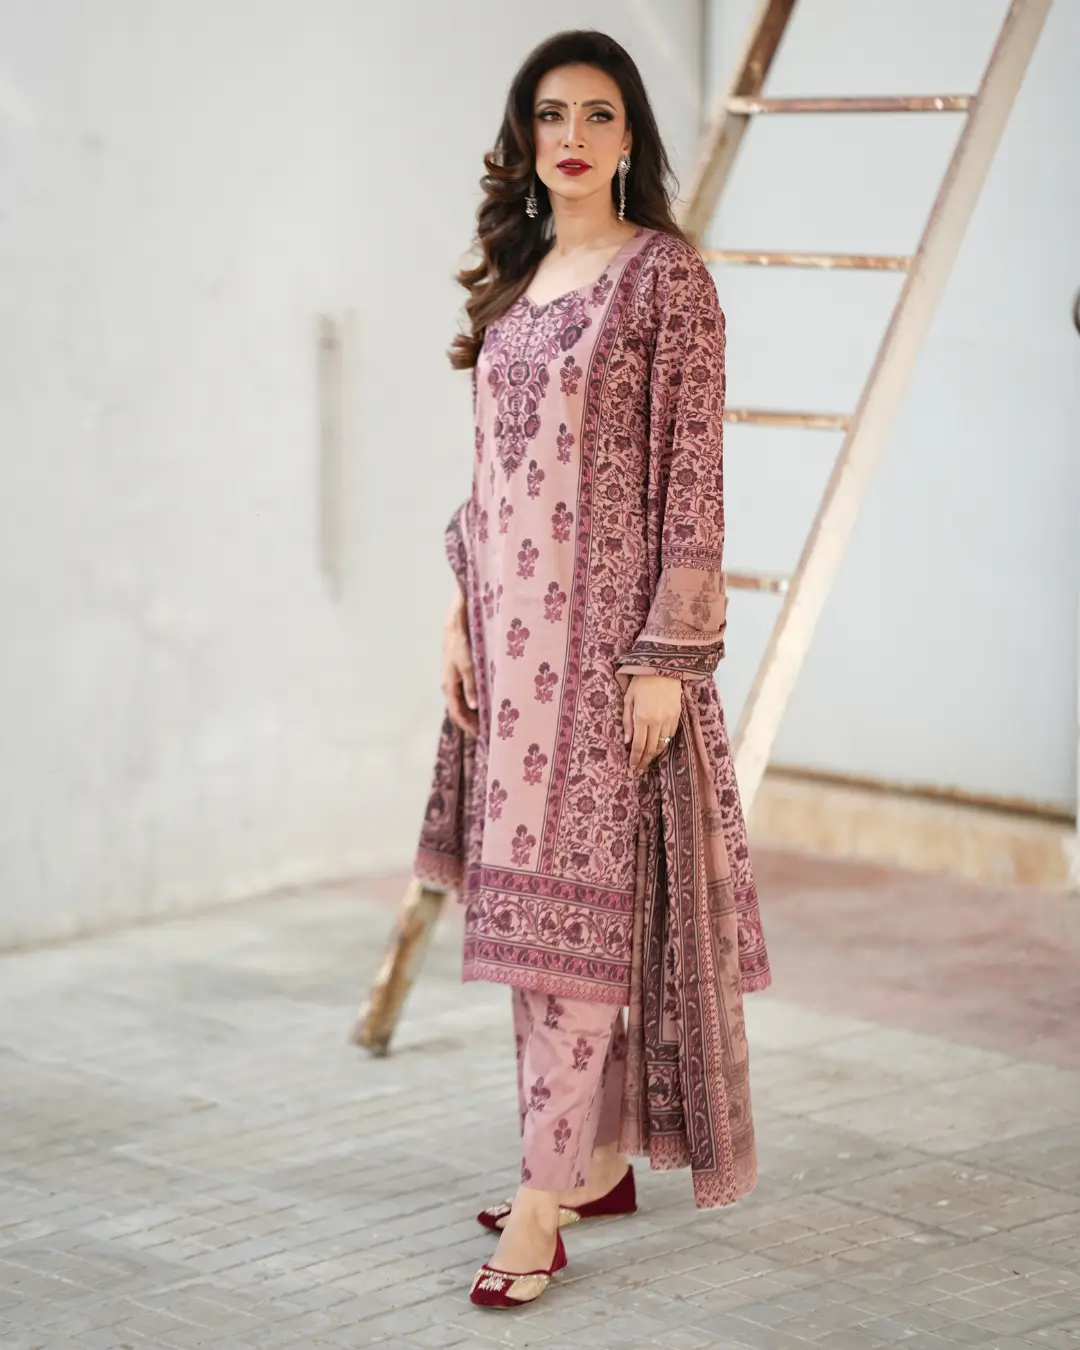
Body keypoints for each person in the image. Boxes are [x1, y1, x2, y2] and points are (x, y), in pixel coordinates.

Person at [414, 29, 771, 1309]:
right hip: (509, 660)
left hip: (607, 658)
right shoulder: (516, 287)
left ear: (630, 140)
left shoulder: (665, 281)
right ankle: (590, 1162)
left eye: (599, 114)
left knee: (578, 923)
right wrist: (458, 613)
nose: (573, 136)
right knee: (529, 916)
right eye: (552, 114)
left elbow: (694, 480)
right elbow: (489, 479)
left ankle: (537, 1202)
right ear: (526, 138)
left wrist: (669, 654)